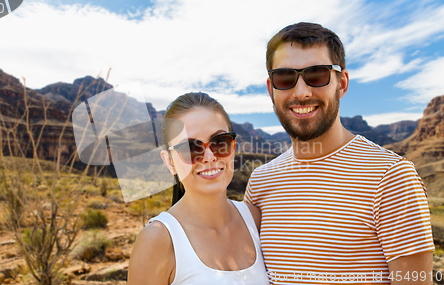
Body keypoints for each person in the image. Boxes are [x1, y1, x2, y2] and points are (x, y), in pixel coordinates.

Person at [244, 22, 434, 284]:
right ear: (271, 89)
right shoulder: (261, 183)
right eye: (285, 77)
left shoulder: (391, 177)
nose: (301, 92)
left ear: (342, 83)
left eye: (317, 75)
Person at [128, 92, 270, 285]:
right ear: (169, 161)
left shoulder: (257, 220)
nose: (209, 157)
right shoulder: (158, 240)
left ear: (233, 146)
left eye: (220, 142)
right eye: (190, 148)